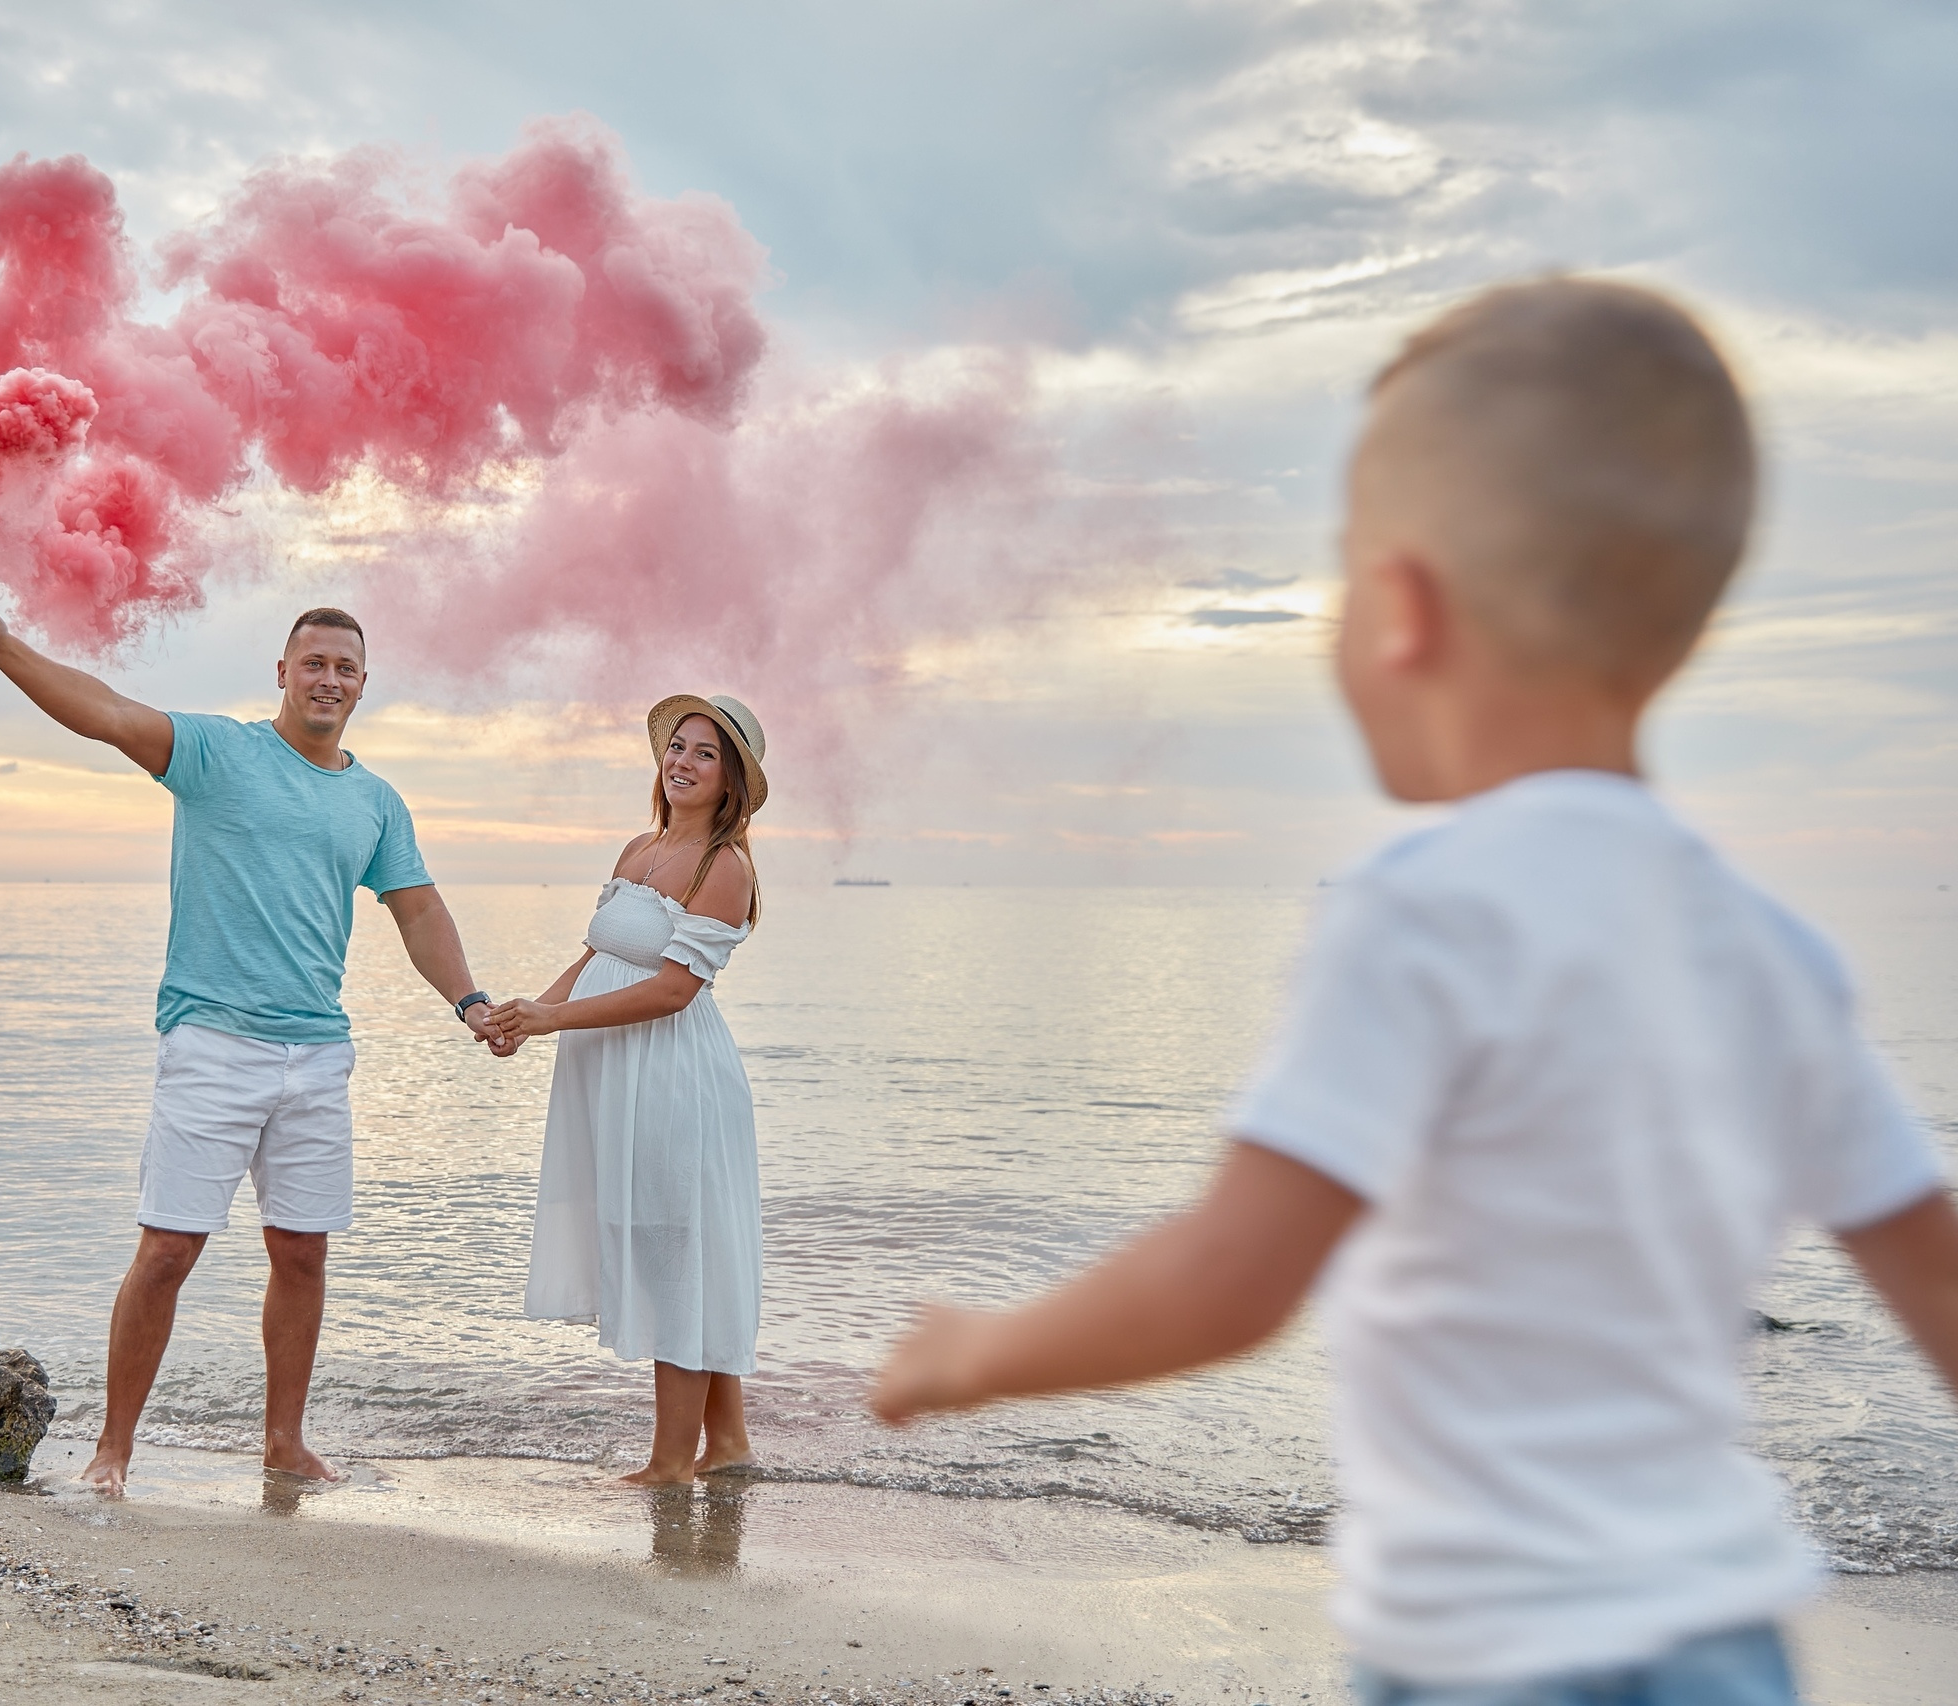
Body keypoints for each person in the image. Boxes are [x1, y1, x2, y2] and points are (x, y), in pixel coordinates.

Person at [868, 279, 1958, 1706]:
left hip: (1489, 1662)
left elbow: (1231, 1276)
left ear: (1401, 607)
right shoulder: (1774, 954)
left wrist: (981, 1351)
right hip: (1727, 1650)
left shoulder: (1419, 917)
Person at [0, 596, 512, 1492]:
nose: (328, 679)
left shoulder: (374, 801)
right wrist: (2, 648)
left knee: (302, 1252)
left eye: (345, 668)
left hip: (318, 1054)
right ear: (282, 673)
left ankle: (284, 1443)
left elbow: (419, 909)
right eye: (313, 663)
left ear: (363, 686)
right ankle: (112, 1451)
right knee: (168, 1251)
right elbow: (108, 715)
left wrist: (469, 1001)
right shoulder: (217, 754)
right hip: (212, 1042)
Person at [491, 695, 769, 1484]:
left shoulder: (726, 868)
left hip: (672, 1075)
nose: (681, 762)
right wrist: (526, 1014)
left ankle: (671, 1462)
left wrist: (554, 1021)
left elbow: (674, 991)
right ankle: (730, 1446)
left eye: (703, 754)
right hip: (616, 1072)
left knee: (673, 1249)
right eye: (676, 747)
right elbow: (596, 955)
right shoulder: (637, 849)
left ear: (731, 780)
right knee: (660, 1246)